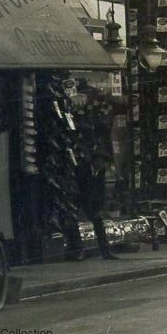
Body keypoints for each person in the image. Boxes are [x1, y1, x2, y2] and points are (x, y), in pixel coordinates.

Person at [73, 107, 117, 260]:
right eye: (104, 163)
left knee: (98, 222)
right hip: (79, 196)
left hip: (91, 199)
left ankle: (105, 252)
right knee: (72, 221)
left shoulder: (100, 172)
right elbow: (80, 187)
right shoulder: (83, 168)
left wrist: (98, 207)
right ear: (97, 161)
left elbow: (100, 191)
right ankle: (78, 251)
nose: (105, 167)